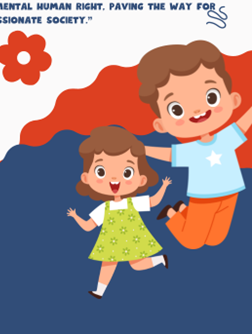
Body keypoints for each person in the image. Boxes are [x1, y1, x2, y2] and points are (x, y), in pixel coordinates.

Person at [137, 40, 252, 249]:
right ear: (161, 125)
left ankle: (181, 209)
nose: (198, 109)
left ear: (234, 100)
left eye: (211, 96)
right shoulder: (190, 150)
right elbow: (169, 155)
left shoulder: (226, 137)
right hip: (203, 198)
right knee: (192, 242)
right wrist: (143, 149)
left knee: (216, 239)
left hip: (231, 193)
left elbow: (244, 123)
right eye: (177, 109)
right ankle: (172, 213)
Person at [66, 126, 170, 299]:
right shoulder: (103, 208)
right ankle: (99, 291)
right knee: (108, 263)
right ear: (86, 178)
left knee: (136, 265)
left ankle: (160, 259)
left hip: (133, 239)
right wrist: (76, 216)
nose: (115, 179)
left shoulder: (132, 202)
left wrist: (164, 187)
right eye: (101, 171)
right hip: (112, 243)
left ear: (141, 179)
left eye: (127, 172)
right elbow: (88, 227)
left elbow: (153, 201)